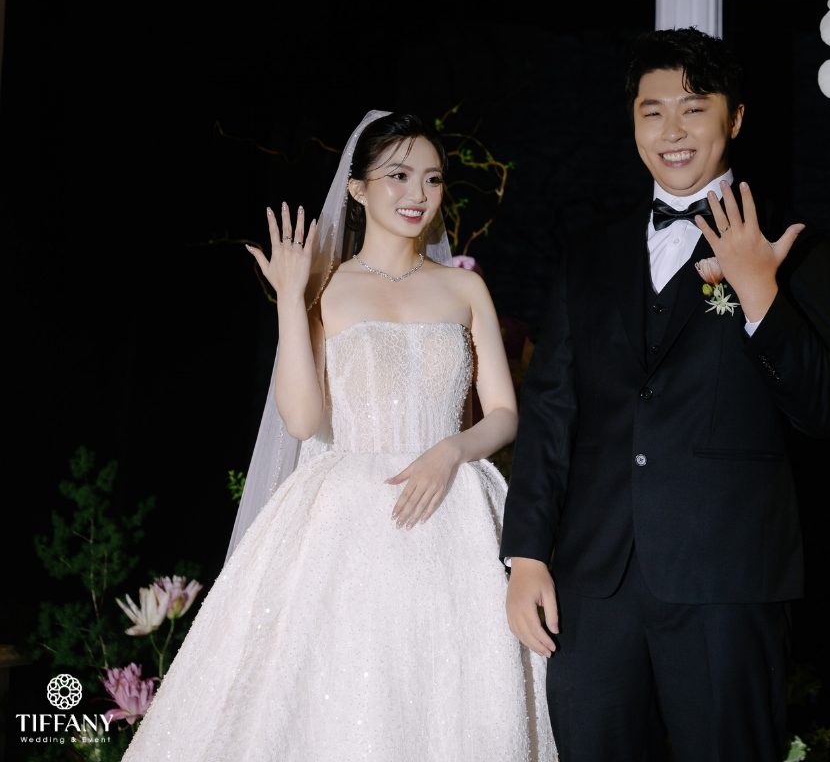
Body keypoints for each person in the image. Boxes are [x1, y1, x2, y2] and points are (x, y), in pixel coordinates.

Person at [126, 109, 555, 762]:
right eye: (398, 175)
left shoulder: (465, 286)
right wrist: (290, 298)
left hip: (457, 510)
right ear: (357, 188)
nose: (418, 194)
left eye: (432, 178)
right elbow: (303, 421)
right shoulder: (327, 288)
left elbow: (503, 412)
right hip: (347, 514)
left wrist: (451, 450)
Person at [501, 29, 830, 762]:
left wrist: (758, 292)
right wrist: (527, 553)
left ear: (735, 118)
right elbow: (549, 412)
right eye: (652, 111)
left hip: (728, 577)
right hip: (594, 581)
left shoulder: (793, 247)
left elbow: (827, 410)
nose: (672, 131)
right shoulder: (587, 252)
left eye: (693, 109)